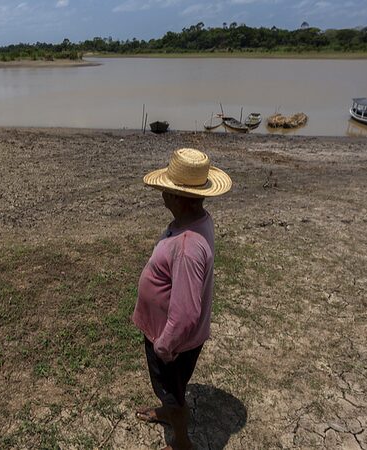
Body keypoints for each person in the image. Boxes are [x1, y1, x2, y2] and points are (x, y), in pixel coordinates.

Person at [133, 148, 232, 450]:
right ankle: (167, 408)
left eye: (165, 190)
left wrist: (164, 346)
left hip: (171, 341)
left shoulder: (188, 245)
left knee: (173, 392)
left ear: (177, 197)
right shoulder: (198, 220)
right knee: (171, 390)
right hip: (171, 336)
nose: (162, 194)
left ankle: (182, 443)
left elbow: (186, 313)